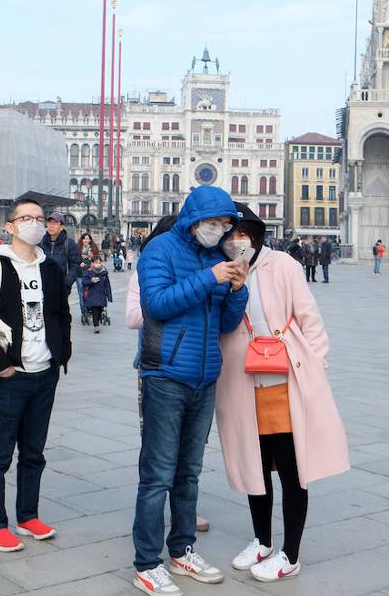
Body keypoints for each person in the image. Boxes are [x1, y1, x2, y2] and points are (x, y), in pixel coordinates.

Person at [215, 204, 349, 583]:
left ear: (255, 236)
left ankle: (290, 552)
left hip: (285, 379)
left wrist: (314, 371)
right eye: (229, 234)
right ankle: (261, 540)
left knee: (291, 468)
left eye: (241, 233)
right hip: (243, 382)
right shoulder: (222, 272)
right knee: (254, 465)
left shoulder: (284, 266)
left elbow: (310, 319)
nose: (235, 240)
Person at [132, 186, 247, 595]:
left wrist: (237, 289)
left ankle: (182, 549)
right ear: (193, 220)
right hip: (164, 374)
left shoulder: (220, 258)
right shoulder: (159, 250)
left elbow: (228, 323)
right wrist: (209, 277)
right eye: (212, 223)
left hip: (204, 377)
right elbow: (157, 305)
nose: (218, 231)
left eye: (224, 224)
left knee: (190, 472)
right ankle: (147, 562)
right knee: (158, 473)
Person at [0, 197, 71, 553]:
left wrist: (61, 355)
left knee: (34, 452)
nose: (35, 223)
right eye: (26, 217)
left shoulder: (51, 268)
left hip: (45, 373)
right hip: (12, 375)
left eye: (40, 218)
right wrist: (1, 365)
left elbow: (61, 315)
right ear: (9, 226)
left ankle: (28, 515)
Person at [126, 216, 212, 537]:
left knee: (189, 455)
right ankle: (153, 527)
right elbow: (136, 315)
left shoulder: (200, 267)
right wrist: (180, 294)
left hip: (196, 370)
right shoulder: (148, 267)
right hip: (157, 365)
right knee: (159, 452)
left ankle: (183, 520)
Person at [39, 211, 81, 310]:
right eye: (49, 223)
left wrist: (67, 283)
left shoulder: (69, 244)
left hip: (61, 288)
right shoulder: (40, 243)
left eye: (55, 223)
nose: (51, 226)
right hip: (42, 286)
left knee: (58, 316)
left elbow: (75, 265)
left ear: (61, 227)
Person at [82, 256, 112, 333]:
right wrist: (91, 281)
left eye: (99, 263)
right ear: (92, 263)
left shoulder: (104, 273)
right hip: (92, 295)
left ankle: (97, 321)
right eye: (96, 263)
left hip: (101, 294)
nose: (98, 264)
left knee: (100, 310)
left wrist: (109, 295)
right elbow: (84, 283)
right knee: (95, 309)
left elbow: (107, 284)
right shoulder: (88, 272)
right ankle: (96, 325)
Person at [76, 232, 101, 317]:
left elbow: (98, 260)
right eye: (84, 238)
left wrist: (91, 258)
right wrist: (79, 263)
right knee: (81, 293)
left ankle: (91, 309)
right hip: (80, 273)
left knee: (91, 292)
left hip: (91, 272)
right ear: (82, 240)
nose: (86, 240)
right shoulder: (77, 248)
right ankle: (84, 312)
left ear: (90, 240)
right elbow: (74, 259)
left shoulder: (93, 249)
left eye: (88, 239)